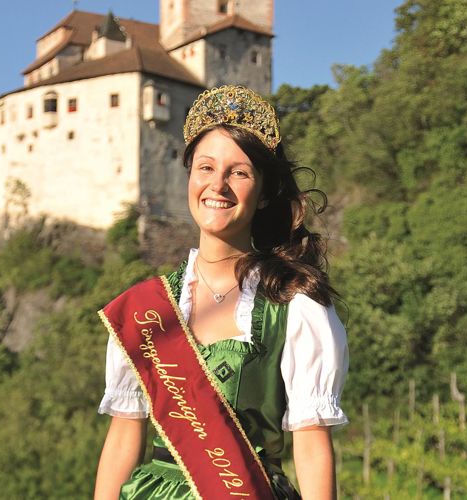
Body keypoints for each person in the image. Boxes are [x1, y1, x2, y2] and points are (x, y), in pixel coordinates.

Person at [94, 85, 349, 500]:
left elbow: (311, 442)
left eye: (240, 172)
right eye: (206, 168)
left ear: (264, 192)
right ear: (190, 176)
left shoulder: (296, 306)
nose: (219, 185)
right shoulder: (145, 308)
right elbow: (124, 435)